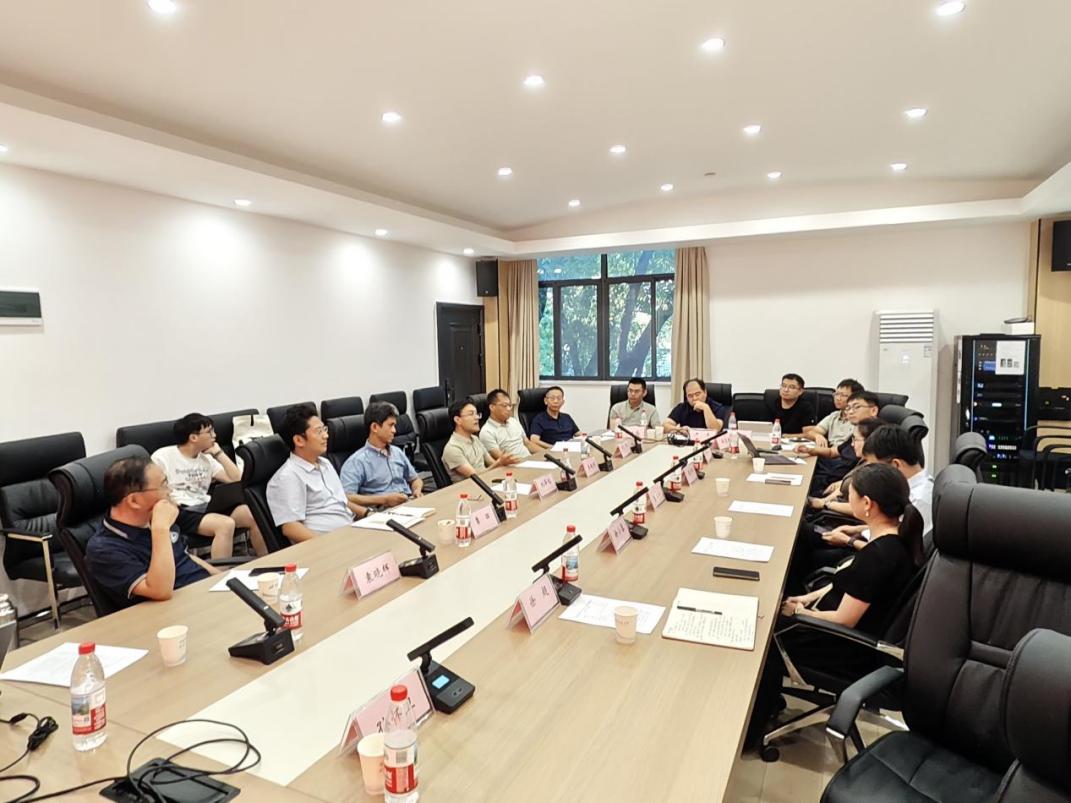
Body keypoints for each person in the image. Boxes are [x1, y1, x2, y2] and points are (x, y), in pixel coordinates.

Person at [746, 462, 923, 750]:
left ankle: (754, 727)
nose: (846, 498)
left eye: (850, 494)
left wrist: (798, 612)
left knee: (762, 630)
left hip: (845, 648)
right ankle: (769, 701)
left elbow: (844, 620)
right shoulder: (893, 541)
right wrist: (805, 599)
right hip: (854, 631)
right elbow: (847, 584)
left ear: (867, 504)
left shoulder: (878, 556)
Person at [86, 456, 218, 611]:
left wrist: (223, 579)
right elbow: (160, 591)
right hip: (173, 612)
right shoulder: (104, 549)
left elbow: (184, 557)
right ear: (134, 501)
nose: (170, 491)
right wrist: (160, 530)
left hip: (204, 596)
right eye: (163, 485)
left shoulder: (154, 518)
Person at [152, 413, 267, 558]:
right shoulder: (163, 456)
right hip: (182, 510)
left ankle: (267, 561)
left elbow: (237, 480)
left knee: (251, 513)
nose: (214, 435)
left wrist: (219, 453)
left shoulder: (206, 458)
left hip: (207, 506)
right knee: (225, 524)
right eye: (209, 432)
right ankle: (220, 571)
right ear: (193, 437)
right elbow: (154, 489)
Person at [823, 425, 935, 551]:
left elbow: (894, 551)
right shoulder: (904, 487)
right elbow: (891, 528)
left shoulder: (920, 501)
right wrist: (858, 530)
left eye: (875, 467)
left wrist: (849, 541)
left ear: (895, 465)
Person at [267, 404, 367, 543]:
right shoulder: (287, 476)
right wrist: (327, 544)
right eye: (319, 431)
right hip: (326, 545)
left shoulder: (325, 463)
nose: (326, 435)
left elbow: (342, 501)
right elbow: (290, 527)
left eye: (324, 429)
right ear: (299, 440)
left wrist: (369, 514)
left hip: (350, 532)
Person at [339, 401, 423, 508]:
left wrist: (417, 490)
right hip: (382, 511)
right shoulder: (357, 462)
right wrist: (384, 499)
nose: (394, 430)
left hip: (409, 503)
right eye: (391, 425)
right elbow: (346, 497)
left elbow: (415, 479)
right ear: (374, 427)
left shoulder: (397, 452)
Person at [803, 391, 880, 494]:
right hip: (831, 472)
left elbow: (868, 471)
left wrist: (841, 486)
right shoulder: (858, 432)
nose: (850, 412)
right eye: (848, 408)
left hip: (838, 483)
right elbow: (832, 452)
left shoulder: (877, 436)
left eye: (856, 407)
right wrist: (810, 450)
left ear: (874, 410)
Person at [442, 398, 519, 482]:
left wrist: (503, 461)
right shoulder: (452, 448)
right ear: (458, 420)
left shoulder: (475, 439)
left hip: (488, 481)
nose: (477, 418)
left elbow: (492, 463)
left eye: (477, 414)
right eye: (471, 414)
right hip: (470, 487)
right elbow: (475, 477)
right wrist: (499, 463)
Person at [802, 378, 864, 448]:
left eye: (843, 395)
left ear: (856, 398)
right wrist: (817, 436)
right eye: (836, 394)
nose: (838, 398)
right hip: (829, 451)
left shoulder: (859, 420)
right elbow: (810, 433)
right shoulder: (834, 416)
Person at [479, 389, 538, 460]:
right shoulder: (487, 432)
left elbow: (527, 444)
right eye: (505, 405)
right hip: (515, 464)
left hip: (531, 461)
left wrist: (546, 453)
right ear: (492, 407)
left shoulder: (513, 421)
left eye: (510, 405)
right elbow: (502, 458)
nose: (509, 409)